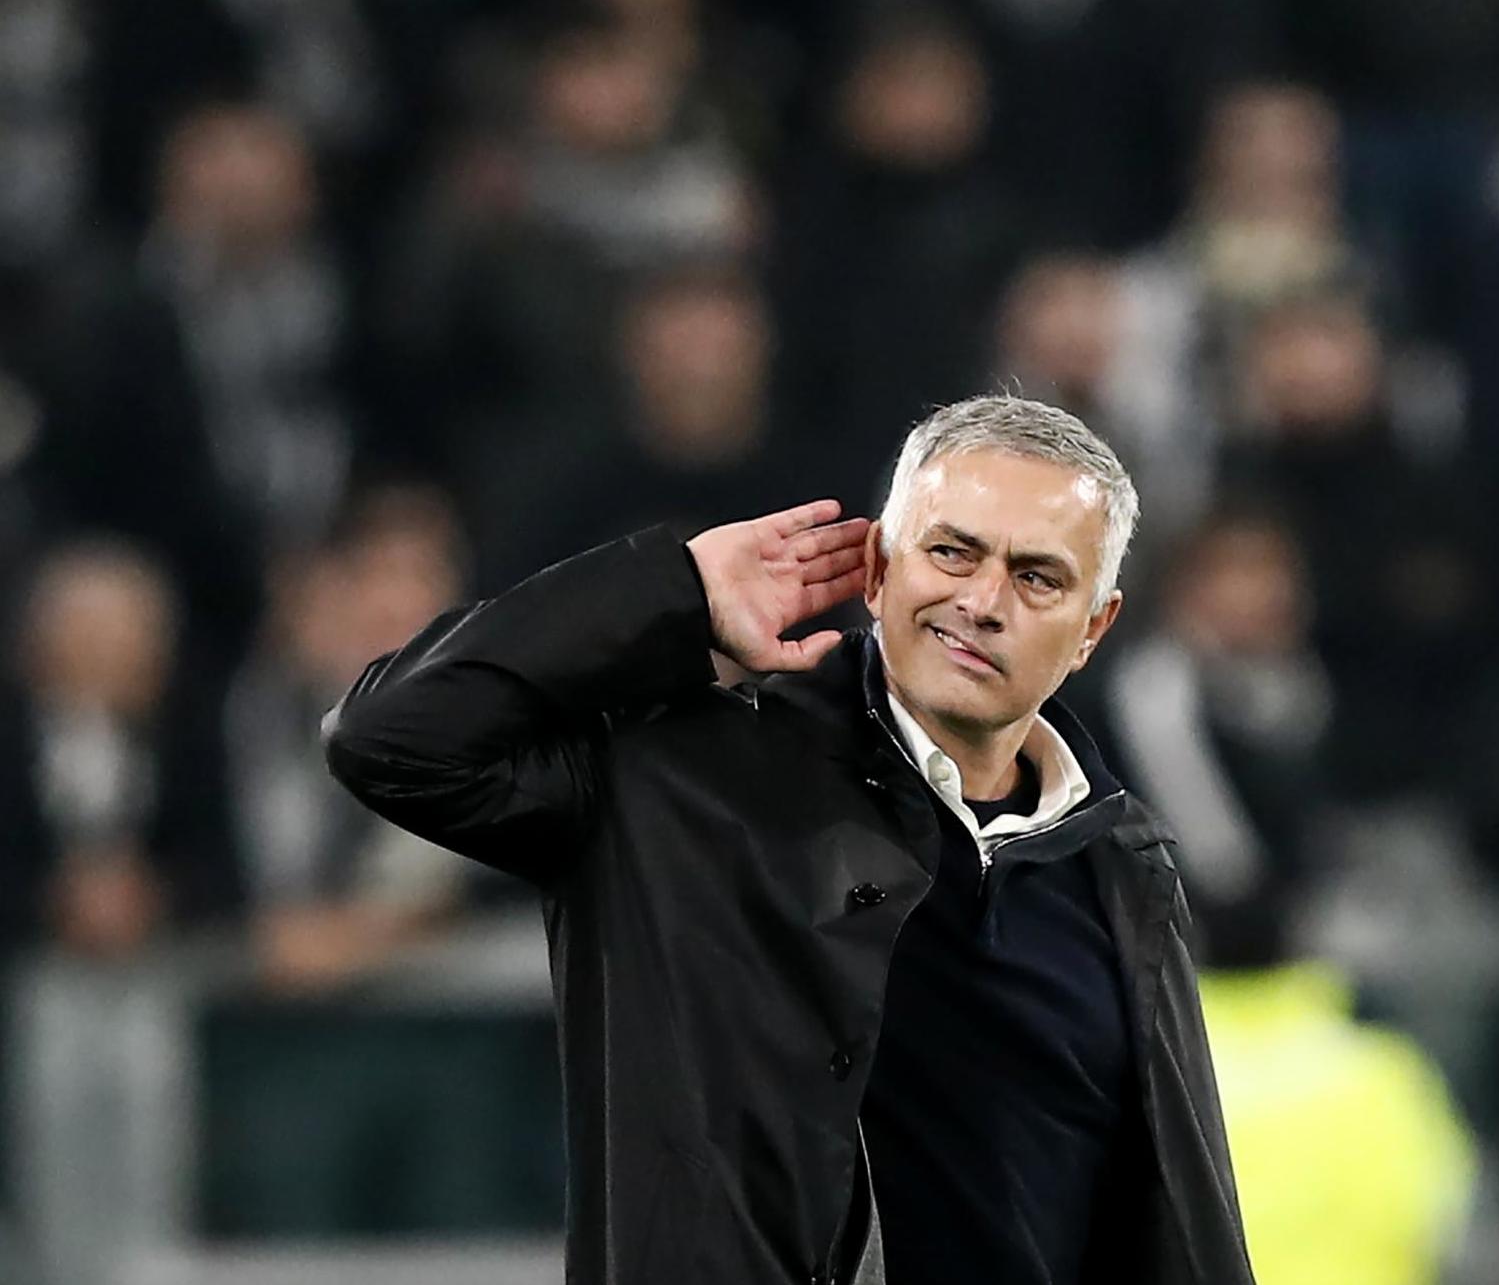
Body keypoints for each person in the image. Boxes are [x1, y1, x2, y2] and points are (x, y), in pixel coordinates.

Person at [321, 393, 1253, 1284]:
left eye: (1036, 576)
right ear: (879, 568)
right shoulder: (683, 782)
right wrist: (674, 594)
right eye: (953, 552)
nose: (983, 601)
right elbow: (393, 737)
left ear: (1094, 628)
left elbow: (1174, 1224)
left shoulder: (1120, 866)